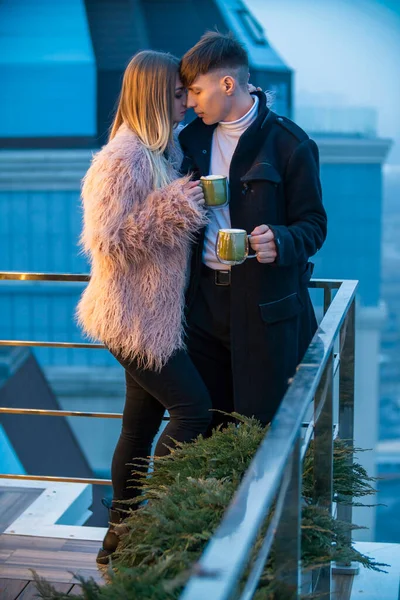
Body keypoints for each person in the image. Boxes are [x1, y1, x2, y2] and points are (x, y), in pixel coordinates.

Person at [76, 50, 212, 564]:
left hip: (151, 319)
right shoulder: (122, 158)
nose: (186, 101)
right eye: (178, 93)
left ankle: (121, 537)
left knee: (138, 426)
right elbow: (105, 241)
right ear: (155, 94)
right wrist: (177, 206)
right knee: (193, 409)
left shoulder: (164, 151)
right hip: (131, 319)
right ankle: (159, 527)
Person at [178, 31, 328, 430]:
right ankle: (212, 496)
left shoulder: (289, 143)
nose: (190, 102)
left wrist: (279, 240)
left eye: (196, 90)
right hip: (201, 305)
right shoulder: (189, 141)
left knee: (258, 429)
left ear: (228, 84)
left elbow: (314, 226)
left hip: (265, 309)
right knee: (204, 425)